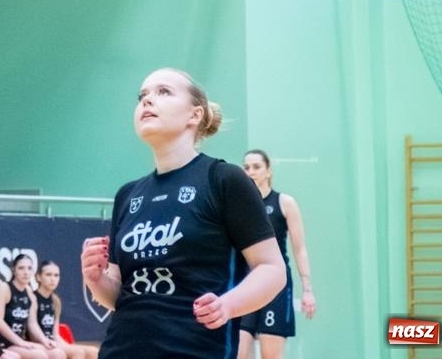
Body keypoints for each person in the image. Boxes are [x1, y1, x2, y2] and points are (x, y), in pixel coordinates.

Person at [80, 69, 285, 359]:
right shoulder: (128, 195)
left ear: (195, 114)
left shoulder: (224, 179)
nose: (148, 101)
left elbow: (273, 270)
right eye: (142, 96)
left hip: (196, 350)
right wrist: (96, 279)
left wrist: (228, 305)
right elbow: (119, 296)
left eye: (163, 92)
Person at [237, 150, 316, 359]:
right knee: (238, 351)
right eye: (247, 167)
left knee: (269, 354)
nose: (251, 172)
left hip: (276, 285)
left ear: (268, 170)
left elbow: (300, 249)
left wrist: (307, 289)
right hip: (246, 284)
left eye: (256, 167)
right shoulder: (240, 207)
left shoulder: (284, 203)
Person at [0, 253, 59, 359]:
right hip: (2, 342)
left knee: (57, 353)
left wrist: (44, 340)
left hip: (19, 342)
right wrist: (20, 342)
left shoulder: (29, 292)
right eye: (21, 268)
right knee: (40, 356)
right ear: (14, 270)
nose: (26, 272)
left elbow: (32, 323)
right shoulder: (4, 288)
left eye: (29, 268)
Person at [33, 261, 96, 359]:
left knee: (93, 352)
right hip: (37, 343)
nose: (52, 279)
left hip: (52, 341)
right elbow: (30, 328)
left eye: (56, 275)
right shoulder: (32, 298)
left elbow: (55, 334)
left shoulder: (55, 301)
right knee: (76, 353)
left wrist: (67, 346)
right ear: (38, 277)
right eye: (48, 275)